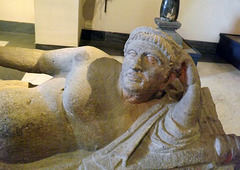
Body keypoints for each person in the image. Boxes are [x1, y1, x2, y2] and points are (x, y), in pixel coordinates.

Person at [0, 27, 239, 168]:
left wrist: (193, 85)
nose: (135, 64)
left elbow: (181, 133)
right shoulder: (93, 61)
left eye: (151, 59)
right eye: (133, 53)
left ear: (168, 77)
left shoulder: (155, 116)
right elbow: (38, 60)